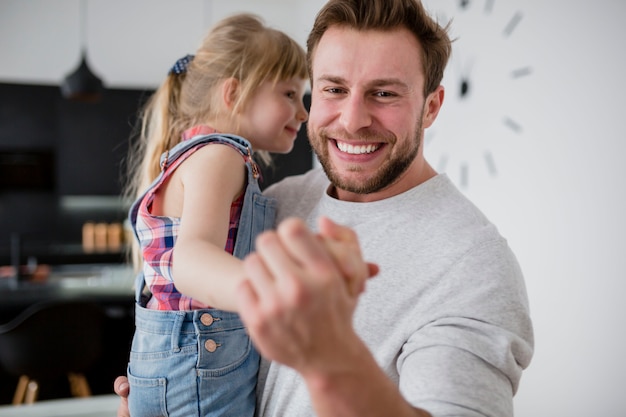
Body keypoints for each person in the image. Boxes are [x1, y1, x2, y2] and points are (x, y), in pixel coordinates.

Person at [116, 0, 534, 416]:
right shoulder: (277, 202)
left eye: (384, 93)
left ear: (431, 106)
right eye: (333, 89)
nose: (352, 120)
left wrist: (331, 357)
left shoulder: (473, 265)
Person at [122, 13, 313, 417]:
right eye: (290, 94)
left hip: (170, 364)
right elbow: (190, 263)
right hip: (202, 365)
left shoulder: (191, 156)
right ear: (233, 94)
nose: (304, 113)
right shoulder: (221, 156)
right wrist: (278, 297)